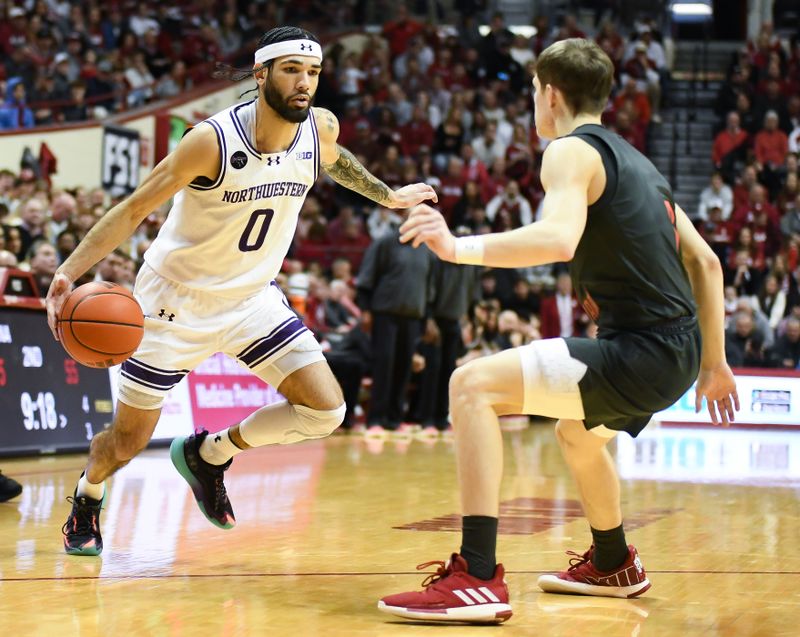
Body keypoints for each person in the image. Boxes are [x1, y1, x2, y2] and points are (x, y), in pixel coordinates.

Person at [378, 39, 738, 623]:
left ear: (548, 93)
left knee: (471, 385)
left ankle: (476, 575)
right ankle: (614, 561)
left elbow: (557, 239)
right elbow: (706, 263)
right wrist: (714, 362)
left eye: (532, 93)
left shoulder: (569, 152)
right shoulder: (641, 164)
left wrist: (454, 245)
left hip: (642, 349)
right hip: (672, 349)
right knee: (577, 433)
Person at [46, 26, 437, 556]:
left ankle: (209, 454)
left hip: (252, 299)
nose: (305, 83)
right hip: (174, 304)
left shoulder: (318, 127)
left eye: (313, 72)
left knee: (326, 412)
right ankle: (88, 497)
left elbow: (335, 159)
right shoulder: (212, 140)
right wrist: (68, 271)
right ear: (261, 74)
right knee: (126, 443)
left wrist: (387, 195)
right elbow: (134, 208)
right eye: (292, 70)